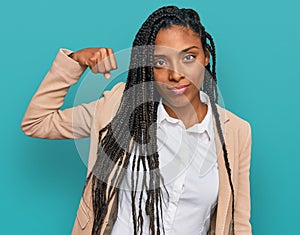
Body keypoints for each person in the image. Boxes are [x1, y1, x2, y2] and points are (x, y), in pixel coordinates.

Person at [21, 6, 252, 235]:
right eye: (161, 62)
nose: (175, 74)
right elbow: (37, 122)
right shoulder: (120, 109)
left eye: (188, 57)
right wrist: (75, 62)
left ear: (206, 57)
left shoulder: (235, 132)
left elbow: (238, 223)